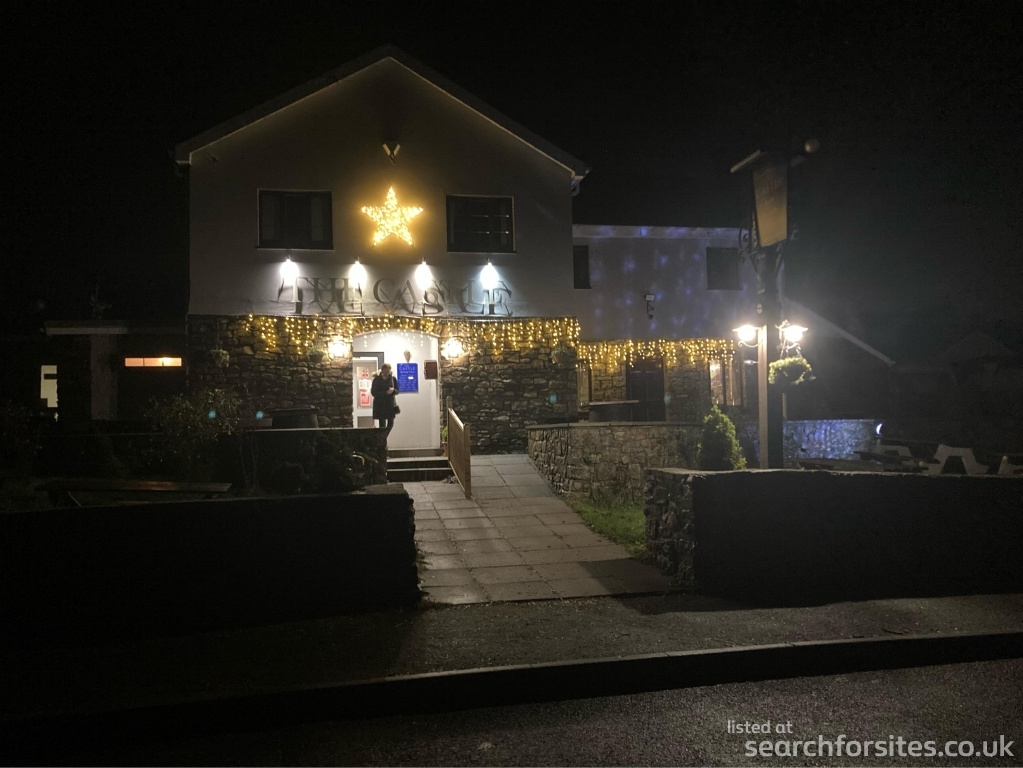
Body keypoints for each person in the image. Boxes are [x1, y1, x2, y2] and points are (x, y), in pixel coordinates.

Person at [371, 363, 398, 435]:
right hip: (380, 405)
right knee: (382, 425)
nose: (387, 373)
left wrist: (393, 390)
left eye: (388, 371)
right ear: (382, 370)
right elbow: (373, 392)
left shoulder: (393, 379)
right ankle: (382, 438)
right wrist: (385, 393)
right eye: (386, 371)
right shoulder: (377, 380)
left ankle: (384, 436)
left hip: (390, 405)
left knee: (390, 424)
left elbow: (397, 391)